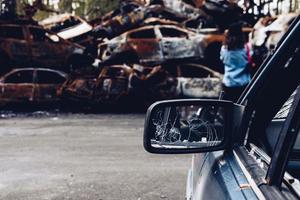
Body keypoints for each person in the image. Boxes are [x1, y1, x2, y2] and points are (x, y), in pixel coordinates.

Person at [220, 22, 251, 102]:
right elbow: (250, 61)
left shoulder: (224, 49)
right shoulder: (247, 48)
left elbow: (222, 60)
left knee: (228, 109)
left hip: (228, 83)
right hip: (243, 85)